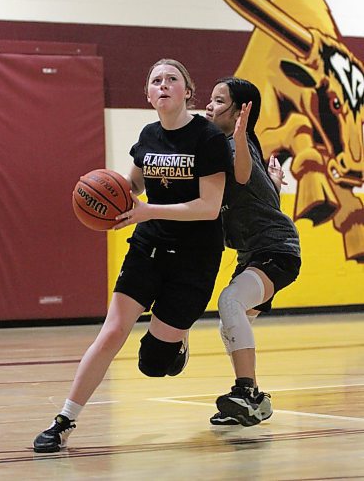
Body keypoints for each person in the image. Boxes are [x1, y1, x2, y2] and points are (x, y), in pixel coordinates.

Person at [33, 58, 232, 453]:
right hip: (150, 245)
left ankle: (177, 339)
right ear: (147, 94)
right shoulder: (148, 135)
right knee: (111, 332)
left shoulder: (207, 138)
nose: (163, 85)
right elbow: (133, 185)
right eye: (155, 80)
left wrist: (147, 210)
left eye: (172, 79)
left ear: (187, 91)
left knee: (153, 365)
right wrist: (102, 192)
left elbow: (209, 206)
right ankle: (64, 421)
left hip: (194, 256)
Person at [205, 77, 301, 426]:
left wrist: (241, 135)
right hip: (253, 253)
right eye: (210, 99)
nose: (209, 106)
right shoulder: (240, 147)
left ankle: (245, 391)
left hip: (277, 249)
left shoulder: (236, 145)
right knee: (231, 322)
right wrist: (273, 183)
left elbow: (242, 176)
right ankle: (255, 402)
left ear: (241, 111)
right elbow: (262, 196)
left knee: (230, 302)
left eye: (218, 101)